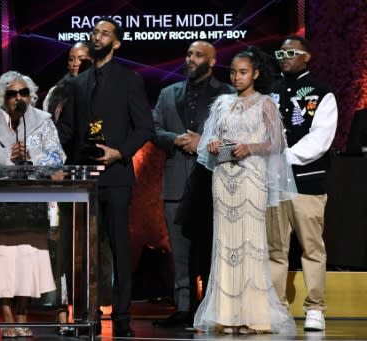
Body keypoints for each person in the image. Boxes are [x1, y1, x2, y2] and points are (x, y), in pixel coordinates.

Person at [56, 17, 154, 337]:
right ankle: (86, 314)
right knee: (85, 249)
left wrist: (119, 153)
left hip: (116, 175)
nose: (97, 36)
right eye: (95, 32)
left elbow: (144, 128)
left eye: (105, 33)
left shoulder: (130, 80)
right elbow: (67, 131)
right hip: (84, 177)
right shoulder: (76, 83)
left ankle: (122, 315)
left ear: (117, 42)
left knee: (118, 246)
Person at [193, 46, 297, 334]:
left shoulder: (266, 104)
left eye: (243, 73)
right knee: (225, 245)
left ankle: (254, 316)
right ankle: (226, 315)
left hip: (252, 178)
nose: (237, 78)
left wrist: (250, 146)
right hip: (224, 178)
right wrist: (213, 142)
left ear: (256, 74)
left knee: (251, 244)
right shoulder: (222, 103)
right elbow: (208, 141)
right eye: (234, 73)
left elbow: (277, 144)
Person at [0, 71, 66, 338]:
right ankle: (8, 316)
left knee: (27, 260)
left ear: (31, 97)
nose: (18, 98)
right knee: (4, 261)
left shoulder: (43, 122)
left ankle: (22, 315)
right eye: (12, 94)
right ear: (2, 97)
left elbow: (58, 157)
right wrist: (5, 157)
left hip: (33, 202)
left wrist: (32, 155)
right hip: (0, 203)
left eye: (23, 93)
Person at [150, 40, 234, 328]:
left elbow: (236, 141)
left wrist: (201, 145)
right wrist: (174, 139)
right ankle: (183, 307)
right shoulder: (167, 93)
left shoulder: (228, 94)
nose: (191, 59)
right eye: (188, 54)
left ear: (212, 62)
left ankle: (210, 308)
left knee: (211, 249)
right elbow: (154, 129)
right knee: (180, 250)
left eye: (198, 55)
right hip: (175, 183)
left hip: (213, 183)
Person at [267, 35, 338, 332]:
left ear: (307, 56)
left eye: (292, 52)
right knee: (274, 249)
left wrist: (285, 157)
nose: (285, 56)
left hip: (307, 180)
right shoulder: (269, 90)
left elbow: (321, 139)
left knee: (311, 247)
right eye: (281, 52)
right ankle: (277, 307)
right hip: (274, 182)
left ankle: (315, 307)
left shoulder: (323, 93)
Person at [41, 41, 93, 336]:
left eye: (82, 59)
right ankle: (62, 312)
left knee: (86, 247)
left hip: (87, 177)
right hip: (59, 179)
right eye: (72, 59)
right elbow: (45, 134)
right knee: (59, 245)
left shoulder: (96, 91)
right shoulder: (55, 94)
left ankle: (88, 309)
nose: (76, 64)